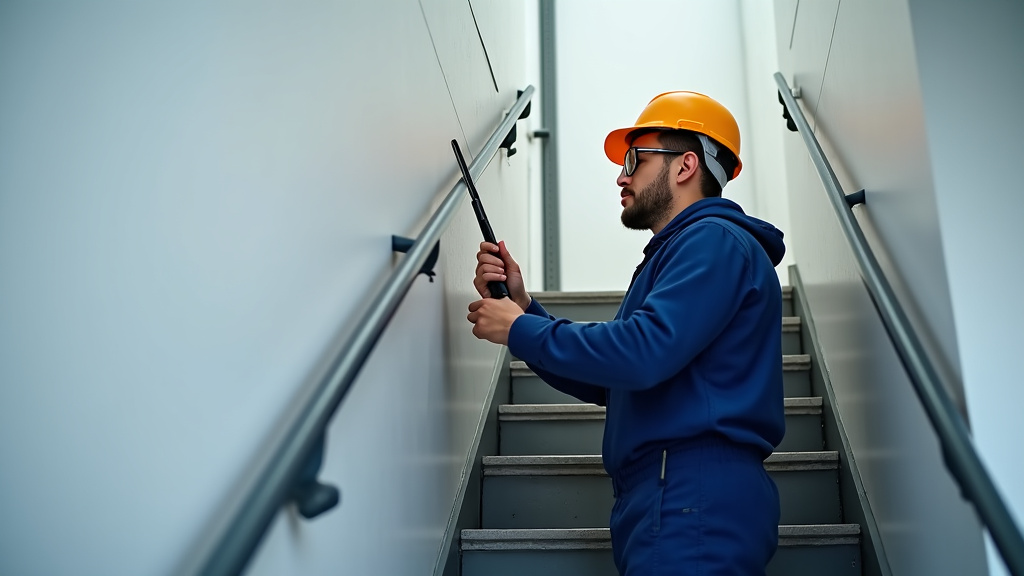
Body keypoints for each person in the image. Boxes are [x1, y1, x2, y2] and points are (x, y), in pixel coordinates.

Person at [467, 91, 786, 575]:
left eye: (634, 159)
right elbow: (613, 376)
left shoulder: (712, 240)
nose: (621, 175)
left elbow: (641, 352)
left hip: (689, 492)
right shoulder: (685, 251)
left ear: (685, 166)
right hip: (668, 494)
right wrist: (524, 309)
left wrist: (519, 329)